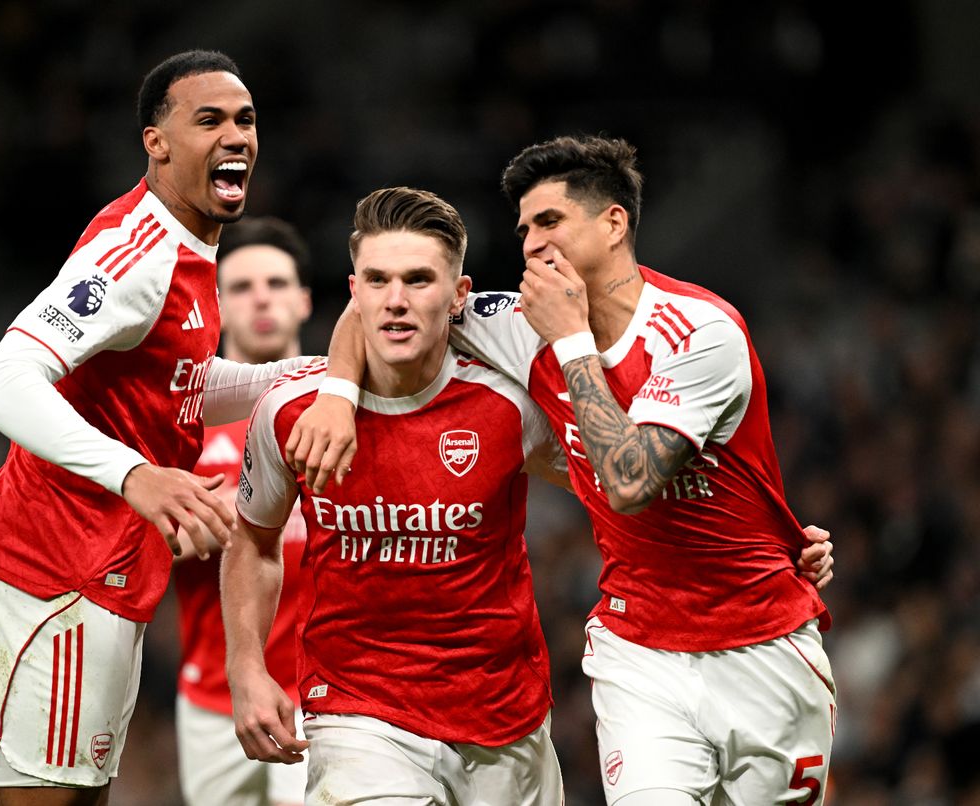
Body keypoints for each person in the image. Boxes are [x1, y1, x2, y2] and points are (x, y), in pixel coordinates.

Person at [292, 135, 837, 805]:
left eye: (549, 222)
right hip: (640, 653)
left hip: (764, 644)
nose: (529, 245)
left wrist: (570, 340)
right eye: (523, 229)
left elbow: (629, 482)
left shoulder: (700, 332)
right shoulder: (517, 323)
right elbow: (382, 302)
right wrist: (338, 395)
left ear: (614, 223)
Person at [0, 50, 309, 805]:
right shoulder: (135, 254)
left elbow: (178, 390)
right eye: (207, 119)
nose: (235, 134)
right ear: (157, 141)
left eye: (245, 119)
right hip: (48, 570)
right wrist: (136, 474)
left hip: (100, 571)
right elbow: (1, 380)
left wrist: (303, 376)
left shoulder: (193, 251)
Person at [222, 187, 570, 805]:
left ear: (459, 296)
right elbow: (253, 540)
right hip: (358, 715)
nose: (397, 301)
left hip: (504, 714)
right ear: (353, 292)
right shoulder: (288, 414)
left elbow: (618, 496)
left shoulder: (509, 409)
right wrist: (246, 669)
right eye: (377, 280)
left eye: (419, 280)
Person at [174, 216, 312, 806]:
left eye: (277, 283)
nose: (262, 297)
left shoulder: (339, 408)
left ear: (305, 299)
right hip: (211, 694)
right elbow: (151, 538)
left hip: (326, 692)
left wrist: (236, 511)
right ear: (217, 307)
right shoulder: (182, 425)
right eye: (241, 286)